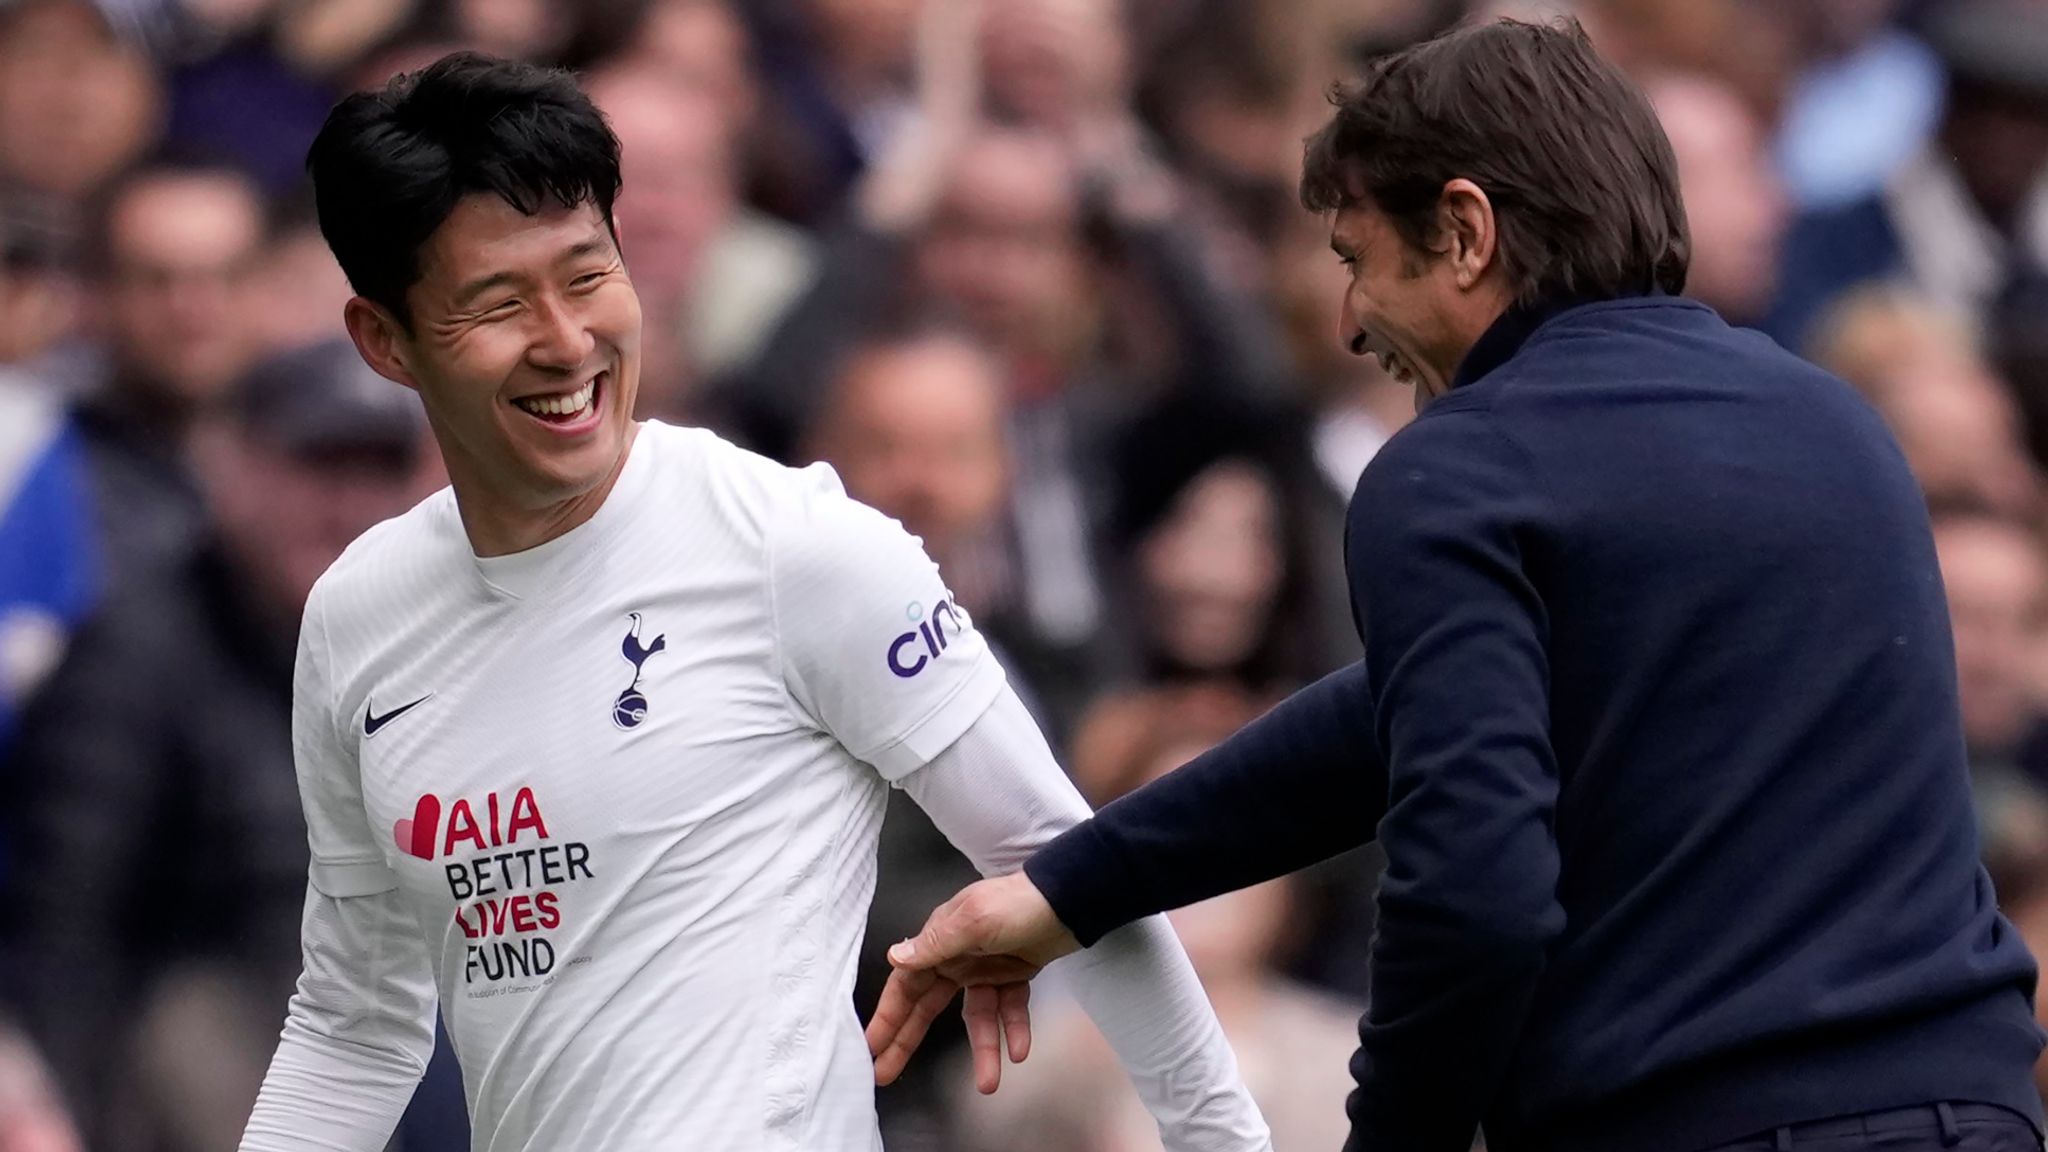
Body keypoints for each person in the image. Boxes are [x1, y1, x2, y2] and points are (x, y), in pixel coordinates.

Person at [869, 18, 2047, 1152]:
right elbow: (1396, 716)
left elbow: (1474, 897)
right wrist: (1070, 889)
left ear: (1465, 231)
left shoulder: (1455, 469)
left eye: (1355, 259)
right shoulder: (1833, 423)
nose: (1344, 322)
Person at [235, 52, 1270, 1152]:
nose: (565, 339)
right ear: (383, 341)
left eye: (586, 276)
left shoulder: (793, 548)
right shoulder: (359, 615)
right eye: (497, 303)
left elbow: (1065, 867)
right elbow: (356, 1021)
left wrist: (1223, 1140)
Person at [5, 338, 428, 1151]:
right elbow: (64, 930)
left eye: (376, 472)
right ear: (234, 470)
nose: (347, 505)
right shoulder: (137, 652)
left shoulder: (412, 647)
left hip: (380, 1034)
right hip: (190, 1064)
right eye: (317, 466)